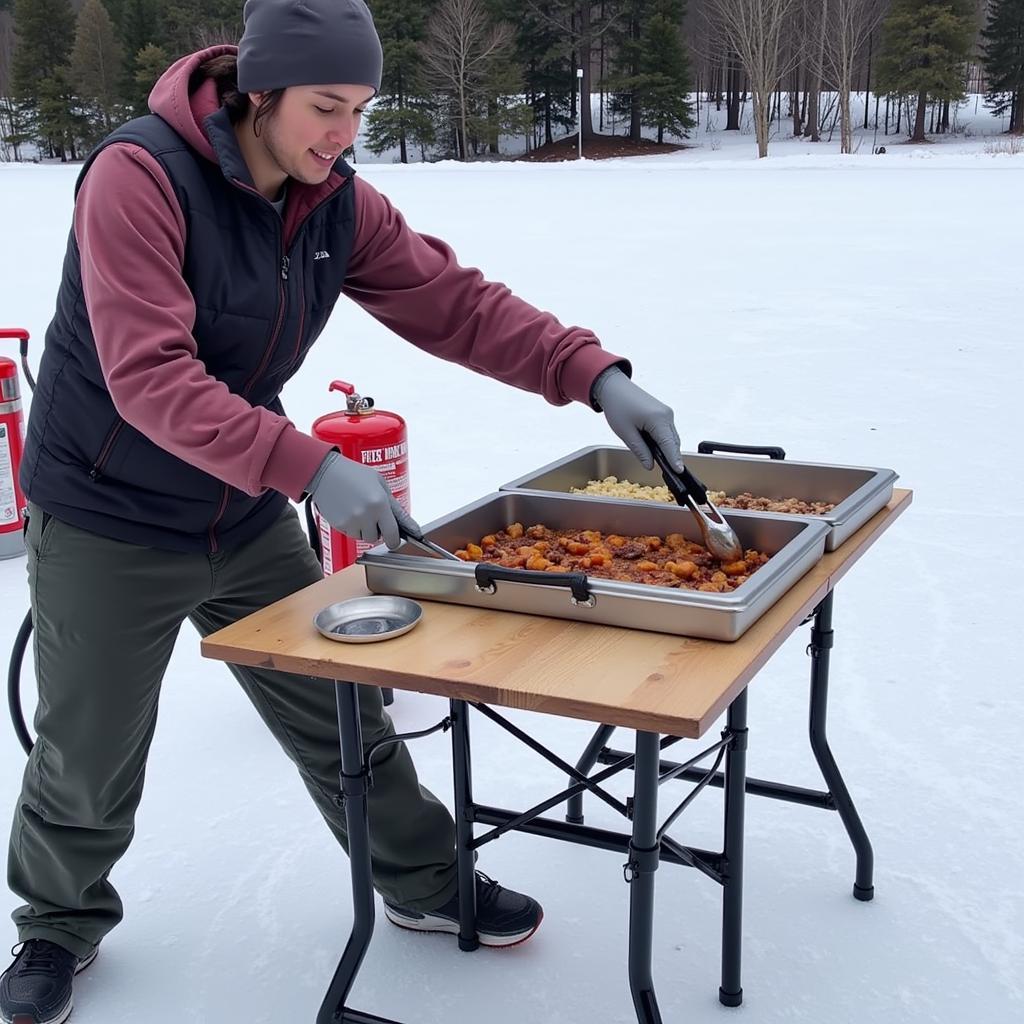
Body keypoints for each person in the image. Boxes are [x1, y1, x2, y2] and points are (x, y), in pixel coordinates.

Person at [0, 1, 685, 1021]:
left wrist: (591, 374)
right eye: (326, 106)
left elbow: (455, 303)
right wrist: (310, 466)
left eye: (361, 109)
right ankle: (56, 924)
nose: (343, 133)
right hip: (109, 513)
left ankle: (422, 882)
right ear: (258, 92)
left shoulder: (333, 202)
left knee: (343, 712)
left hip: (242, 510)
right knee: (89, 749)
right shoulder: (136, 179)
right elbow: (149, 378)